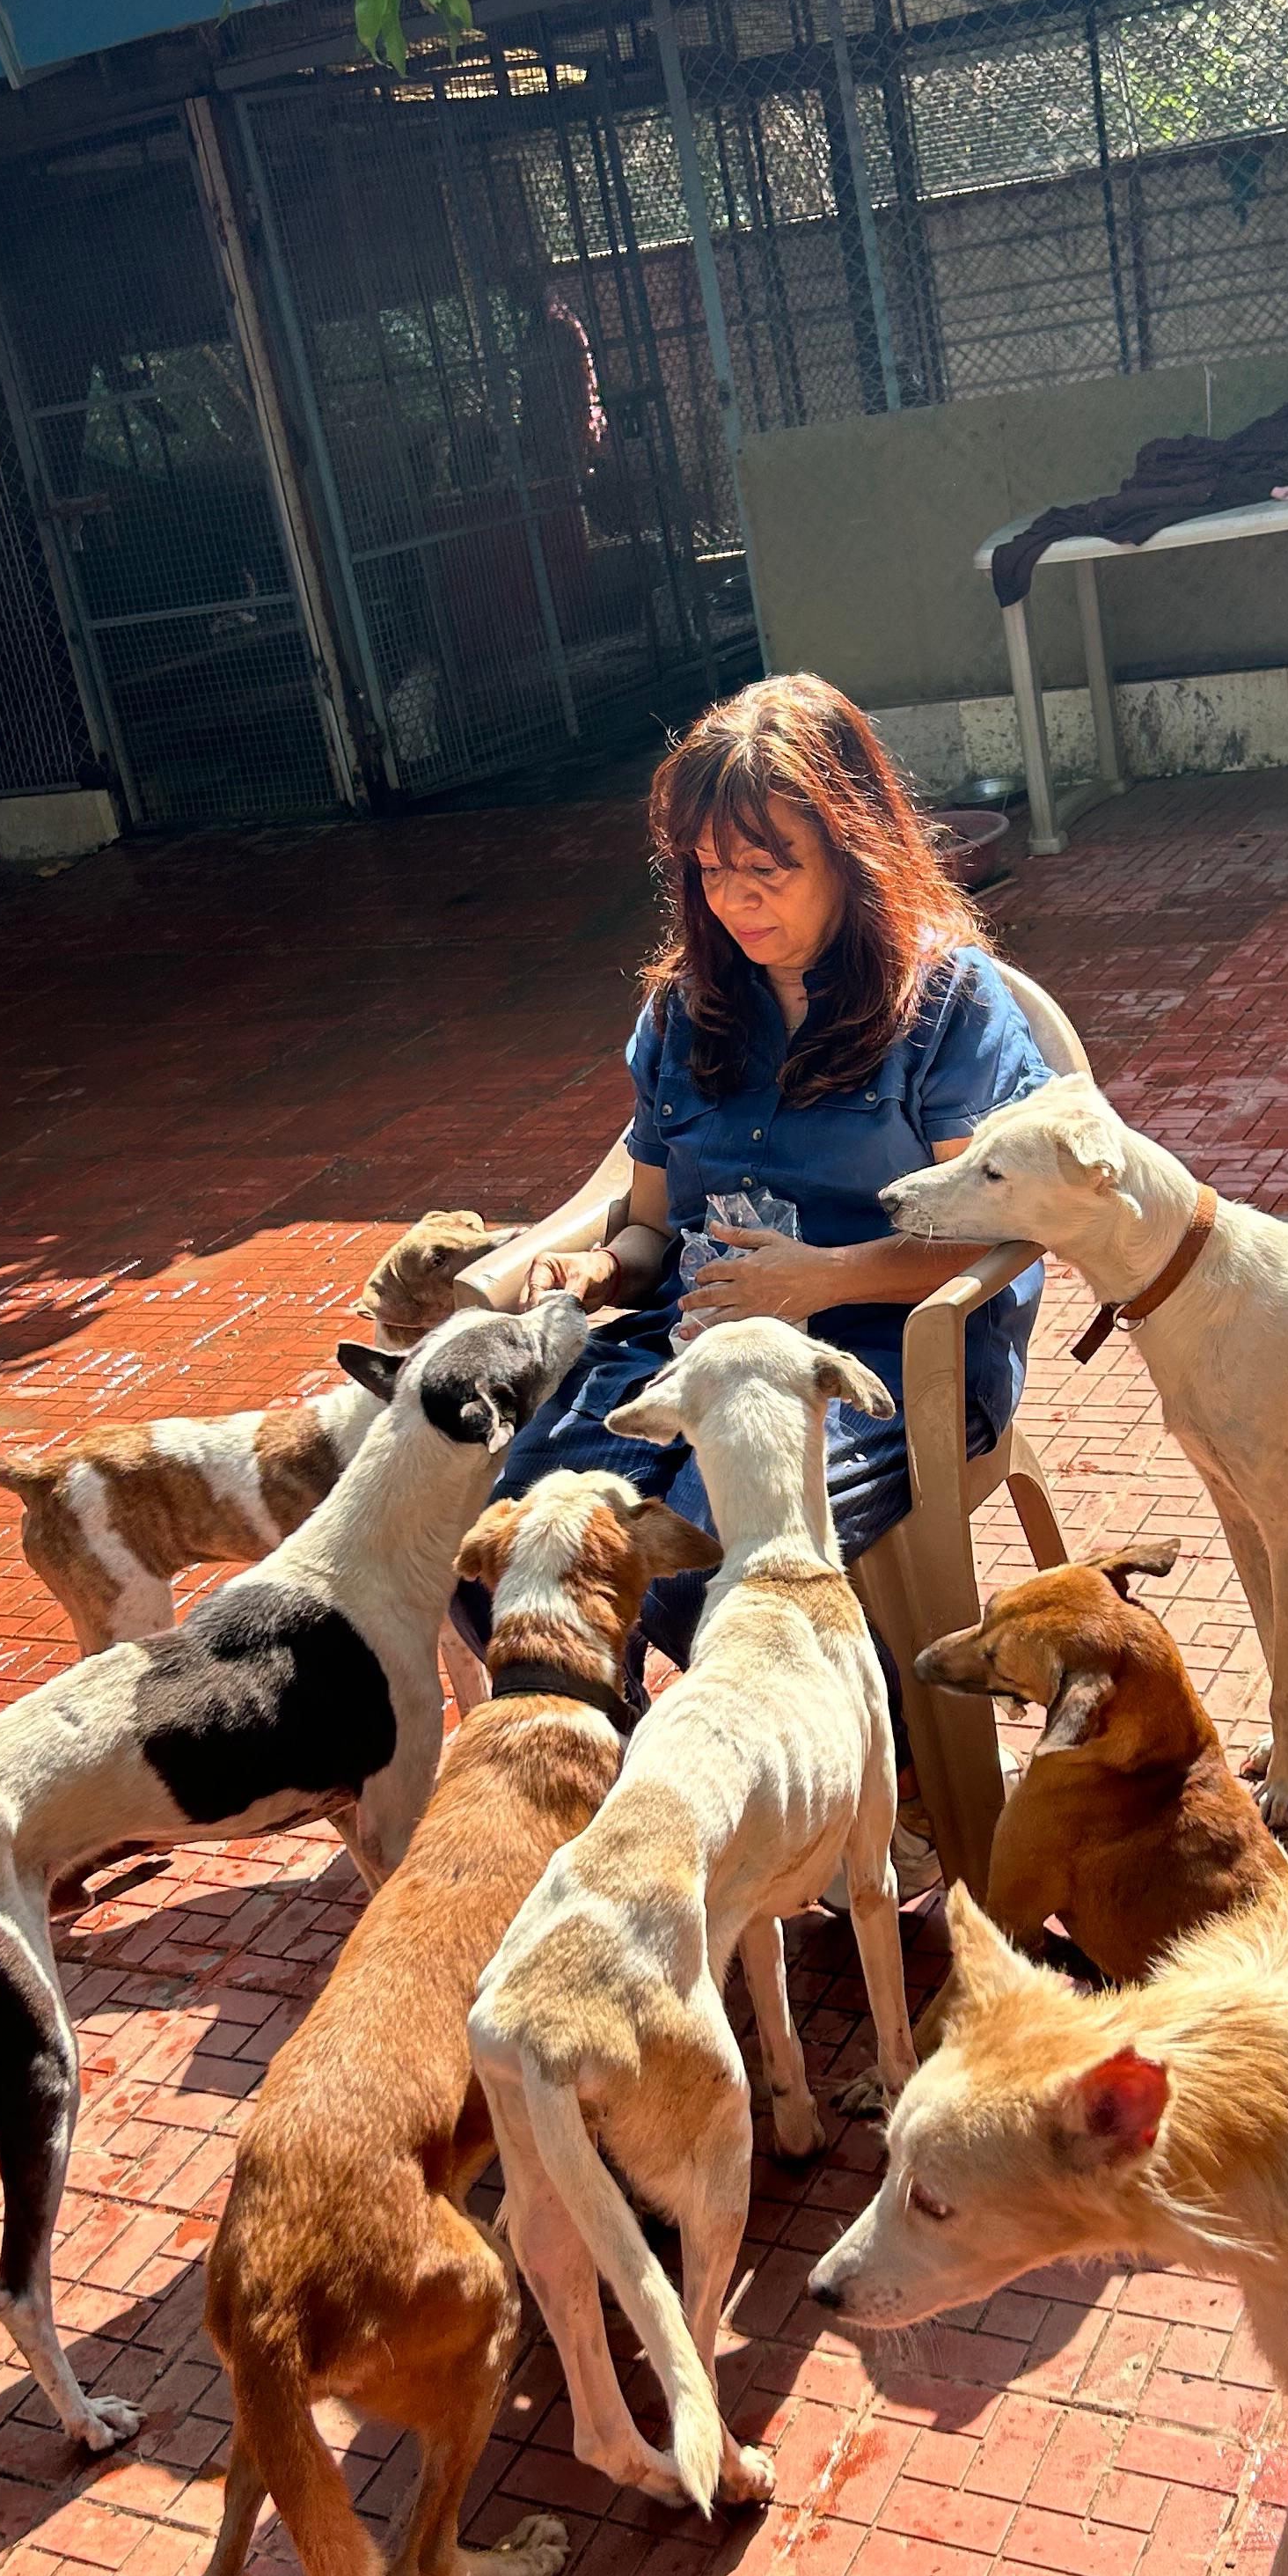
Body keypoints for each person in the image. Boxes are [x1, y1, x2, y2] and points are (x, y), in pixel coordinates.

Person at [467, 673, 1053, 1867]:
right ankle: (614, 1785)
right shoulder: (688, 1012)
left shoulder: (945, 1004)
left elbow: (998, 1226)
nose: (732, 900)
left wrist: (820, 1278)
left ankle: (881, 1785)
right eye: (706, 871)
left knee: (704, 1546)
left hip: (886, 1352)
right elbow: (645, 1228)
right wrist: (591, 1274)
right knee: (517, 1541)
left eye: (766, 867)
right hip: (693, 1341)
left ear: (852, 849)